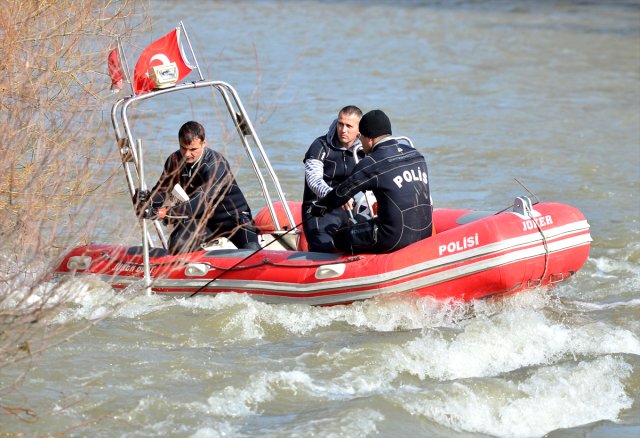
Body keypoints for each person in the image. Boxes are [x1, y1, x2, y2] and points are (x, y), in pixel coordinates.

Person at [309, 109, 433, 254]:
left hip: (394, 238)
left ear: (369, 139)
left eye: (360, 137)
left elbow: (342, 193)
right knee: (365, 220)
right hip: (425, 232)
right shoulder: (416, 154)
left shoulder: (372, 163)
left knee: (340, 237)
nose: (360, 141)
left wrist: (320, 206)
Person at [136, 121, 260, 254]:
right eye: (183, 148)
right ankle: (202, 265)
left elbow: (201, 201)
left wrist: (165, 212)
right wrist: (146, 201)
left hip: (233, 219)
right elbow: (162, 191)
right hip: (203, 221)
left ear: (203, 143)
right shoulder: (174, 161)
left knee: (252, 252)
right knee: (178, 244)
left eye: (193, 149)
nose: (187, 154)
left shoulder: (216, 164)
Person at [302, 105, 363, 252]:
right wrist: (337, 197)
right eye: (340, 124)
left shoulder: (363, 149)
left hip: (350, 209)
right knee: (326, 249)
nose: (343, 130)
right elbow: (314, 181)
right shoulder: (319, 146)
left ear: (359, 130)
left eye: (349, 126)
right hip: (319, 208)